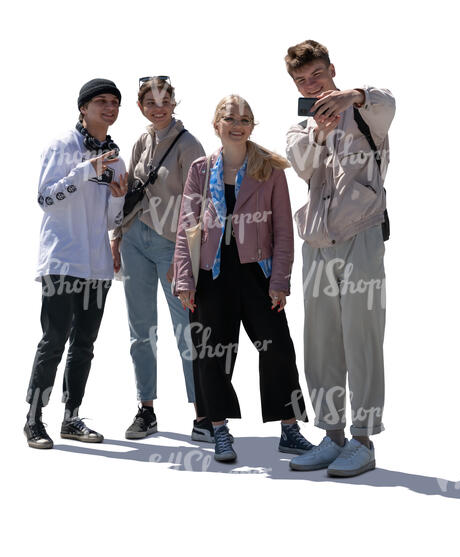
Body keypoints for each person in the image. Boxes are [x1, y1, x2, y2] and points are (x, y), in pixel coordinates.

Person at [173, 94, 313, 462]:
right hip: (212, 273)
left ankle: (289, 429)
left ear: (252, 126)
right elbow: (186, 226)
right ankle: (219, 430)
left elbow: (283, 230)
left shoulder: (269, 168)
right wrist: (185, 281)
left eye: (246, 119)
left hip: (258, 272)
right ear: (216, 124)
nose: (238, 125)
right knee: (211, 353)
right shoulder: (201, 170)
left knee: (278, 349)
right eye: (231, 119)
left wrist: (280, 280)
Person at [284, 40, 396, 476]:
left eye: (316, 75)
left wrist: (353, 97)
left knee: (362, 336)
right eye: (301, 80)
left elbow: (388, 101)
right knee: (321, 342)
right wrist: (319, 132)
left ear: (331, 70)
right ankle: (331, 437)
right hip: (316, 244)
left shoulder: (368, 112)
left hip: (361, 235)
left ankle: (363, 440)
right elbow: (302, 164)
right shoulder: (299, 128)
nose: (311, 86)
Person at [25, 78, 128, 449]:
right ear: (83, 107)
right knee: (53, 340)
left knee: (84, 343)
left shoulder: (116, 157)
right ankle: (34, 419)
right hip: (61, 261)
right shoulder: (62, 146)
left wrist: (118, 198)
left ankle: (71, 418)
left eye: (115, 102)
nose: (109, 107)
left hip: (96, 266)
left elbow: (112, 221)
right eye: (101, 101)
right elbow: (45, 198)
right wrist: (86, 170)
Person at [109, 77, 208, 441]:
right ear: (141, 107)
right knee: (141, 330)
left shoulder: (189, 144)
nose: (158, 107)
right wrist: (116, 239)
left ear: (174, 102)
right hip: (134, 240)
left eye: (164, 100)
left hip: (171, 245)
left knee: (188, 330)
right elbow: (126, 196)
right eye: (150, 102)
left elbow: (199, 205)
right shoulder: (140, 140)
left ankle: (204, 416)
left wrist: (183, 258)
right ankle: (145, 409)